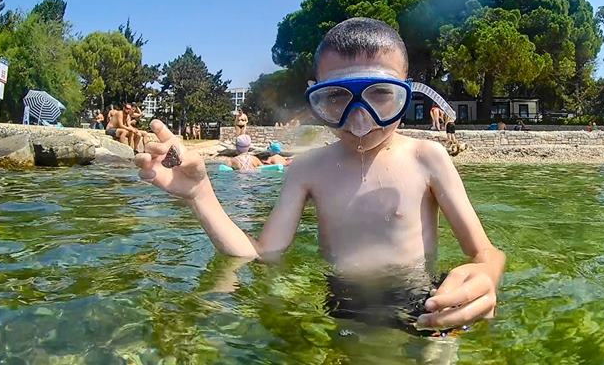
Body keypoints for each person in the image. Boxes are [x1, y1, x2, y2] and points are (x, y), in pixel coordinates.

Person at [135, 17, 504, 333]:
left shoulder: (428, 158)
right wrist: (200, 194)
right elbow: (262, 254)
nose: (360, 119)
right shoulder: (307, 169)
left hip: (423, 302)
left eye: (381, 94)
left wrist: (486, 274)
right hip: (340, 304)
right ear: (316, 96)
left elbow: (485, 251)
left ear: (405, 91)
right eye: (338, 98)